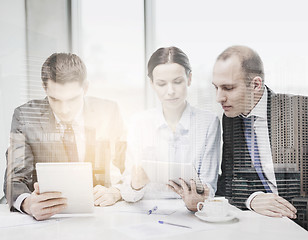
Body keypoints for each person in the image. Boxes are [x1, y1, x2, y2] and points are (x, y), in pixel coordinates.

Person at [4, 53, 125, 220]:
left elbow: (129, 167)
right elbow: (15, 179)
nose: (65, 109)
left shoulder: (108, 112)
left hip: (101, 214)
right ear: (44, 88)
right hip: (49, 218)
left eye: (72, 99)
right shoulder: (25, 116)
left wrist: (117, 191)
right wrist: (28, 203)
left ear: (86, 88)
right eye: (55, 99)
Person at [117, 46, 221, 211]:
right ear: (152, 84)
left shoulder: (209, 122)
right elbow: (127, 192)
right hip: (146, 212)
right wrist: (135, 184)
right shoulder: (139, 122)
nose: (170, 91)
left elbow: (209, 188)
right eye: (161, 84)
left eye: (177, 82)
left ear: (189, 79)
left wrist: (198, 201)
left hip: (191, 214)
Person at [212, 45, 301, 219]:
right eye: (216, 88)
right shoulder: (231, 118)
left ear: (256, 85)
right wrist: (252, 199)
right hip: (266, 221)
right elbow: (228, 180)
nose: (219, 98)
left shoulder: (298, 113)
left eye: (228, 88)